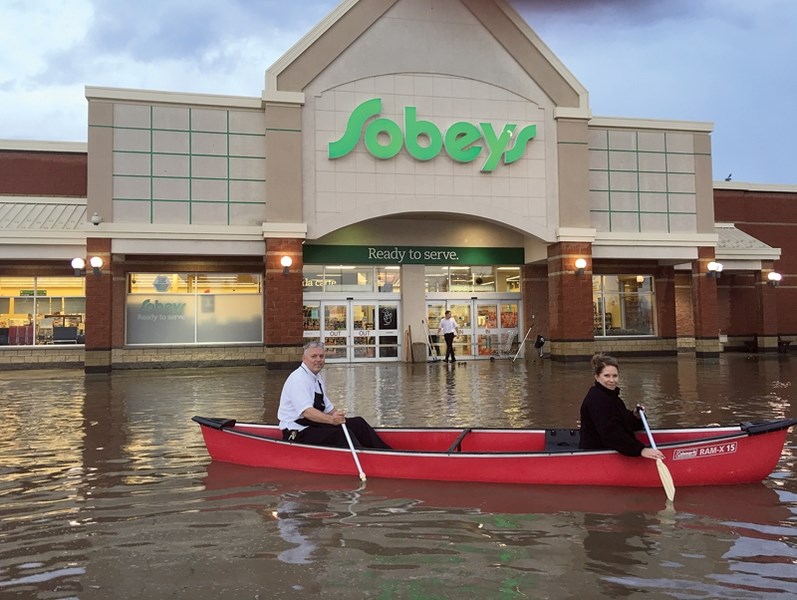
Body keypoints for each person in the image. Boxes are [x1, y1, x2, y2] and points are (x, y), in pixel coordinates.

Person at [278, 341, 391, 449]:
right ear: (304, 359)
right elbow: (307, 412)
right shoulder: (298, 379)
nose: (318, 360)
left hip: (313, 425)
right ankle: (366, 458)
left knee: (358, 423)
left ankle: (386, 452)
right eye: (314, 356)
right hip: (297, 431)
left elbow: (326, 405)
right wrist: (332, 420)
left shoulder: (316, 376)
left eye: (321, 356)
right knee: (340, 434)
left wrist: (337, 415)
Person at [579, 353, 665, 460]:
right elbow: (611, 433)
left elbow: (622, 422)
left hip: (605, 446)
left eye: (615, 376)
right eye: (606, 376)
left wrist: (635, 416)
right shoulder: (596, 399)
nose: (612, 380)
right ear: (597, 377)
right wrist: (641, 450)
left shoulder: (612, 397)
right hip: (596, 452)